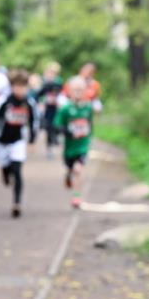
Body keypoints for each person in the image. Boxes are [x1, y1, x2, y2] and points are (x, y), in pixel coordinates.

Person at [0, 71, 39, 218]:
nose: (20, 90)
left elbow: (33, 122)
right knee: (6, 171)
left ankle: (17, 203)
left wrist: (32, 140)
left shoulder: (29, 103)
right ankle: (5, 173)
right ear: (12, 87)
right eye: (17, 87)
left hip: (18, 141)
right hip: (2, 142)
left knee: (17, 170)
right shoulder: (5, 101)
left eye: (23, 87)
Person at [54, 76, 95, 209]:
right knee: (71, 169)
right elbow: (57, 126)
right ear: (70, 91)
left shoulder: (88, 108)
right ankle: (68, 175)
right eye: (75, 90)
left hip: (82, 146)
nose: (78, 92)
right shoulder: (65, 109)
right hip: (69, 147)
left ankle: (76, 197)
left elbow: (89, 123)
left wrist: (89, 137)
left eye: (81, 90)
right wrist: (68, 132)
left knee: (78, 169)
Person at [32, 61, 64, 159]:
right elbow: (38, 96)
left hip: (57, 109)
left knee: (57, 126)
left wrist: (59, 102)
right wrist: (42, 102)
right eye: (49, 73)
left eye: (52, 73)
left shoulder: (59, 83)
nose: (50, 75)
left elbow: (63, 95)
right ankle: (49, 148)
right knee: (49, 128)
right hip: (48, 110)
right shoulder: (45, 84)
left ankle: (56, 138)